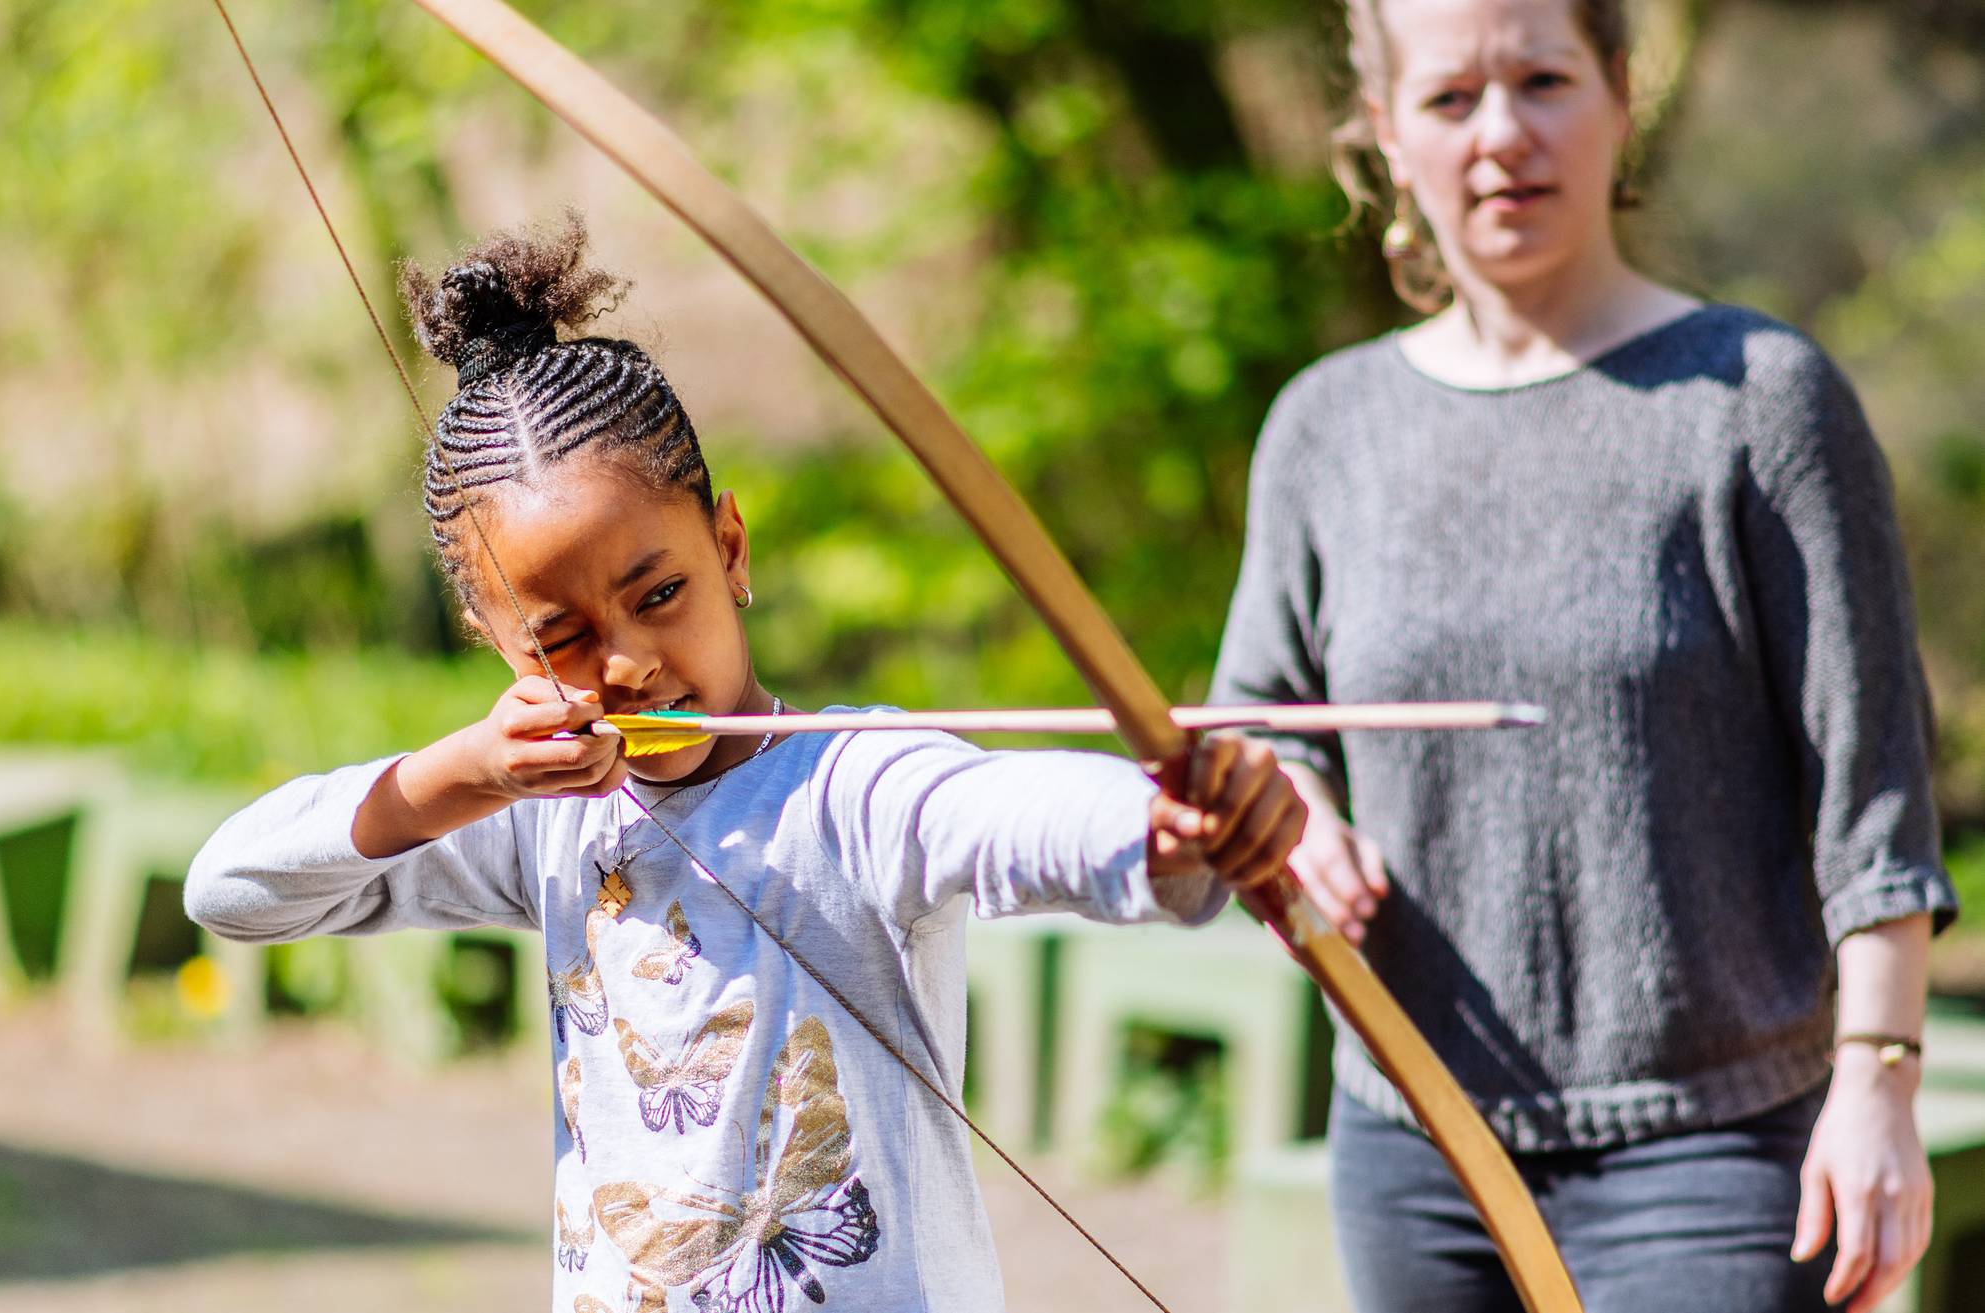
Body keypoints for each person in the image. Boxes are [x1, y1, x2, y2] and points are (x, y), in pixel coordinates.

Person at [186, 213, 1306, 1313]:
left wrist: (1166, 821)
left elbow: (1001, 809)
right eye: (561, 637)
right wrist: (458, 774)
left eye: (659, 593)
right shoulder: (546, 818)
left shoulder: (850, 783)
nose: (628, 661)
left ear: (730, 548)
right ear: (500, 648)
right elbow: (230, 886)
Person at [1207, 1, 1959, 1310]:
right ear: (1386, 133)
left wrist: (1880, 1076)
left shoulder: (1759, 396)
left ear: (1620, 94)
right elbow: (1258, 713)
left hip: (1709, 1156)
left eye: (1542, 80)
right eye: (1449, 100)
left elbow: (1874, 780)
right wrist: (1298, 807)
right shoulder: (1325, 426)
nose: (1502, 135)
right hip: (1410, 1137)